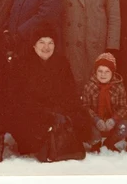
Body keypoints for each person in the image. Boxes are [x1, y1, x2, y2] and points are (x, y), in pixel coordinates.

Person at [9, 28, 92, 156]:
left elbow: (70, 93)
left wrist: (59, 110)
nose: (46, 47)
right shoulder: (22, 64)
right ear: (34, 44)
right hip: (35, 112)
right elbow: (19, 97)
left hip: (59, 110)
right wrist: (46, 113)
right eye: (41, 42)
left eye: (50, 43)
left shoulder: (62, 63)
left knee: (79, 117)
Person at [82, 53, 127, 153]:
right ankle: (96, 142)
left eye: (107, 72)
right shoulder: (89, 86)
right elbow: (85, 106)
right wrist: (96, 119)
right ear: (95, 72)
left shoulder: (119, 87)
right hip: (95, 123)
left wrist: (114, 120)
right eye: (100, 71)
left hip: (112, 123)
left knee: (126, 126)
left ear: (112, 73)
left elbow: (124, 107)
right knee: (85, 125)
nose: (103, 74)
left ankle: (110, 142)